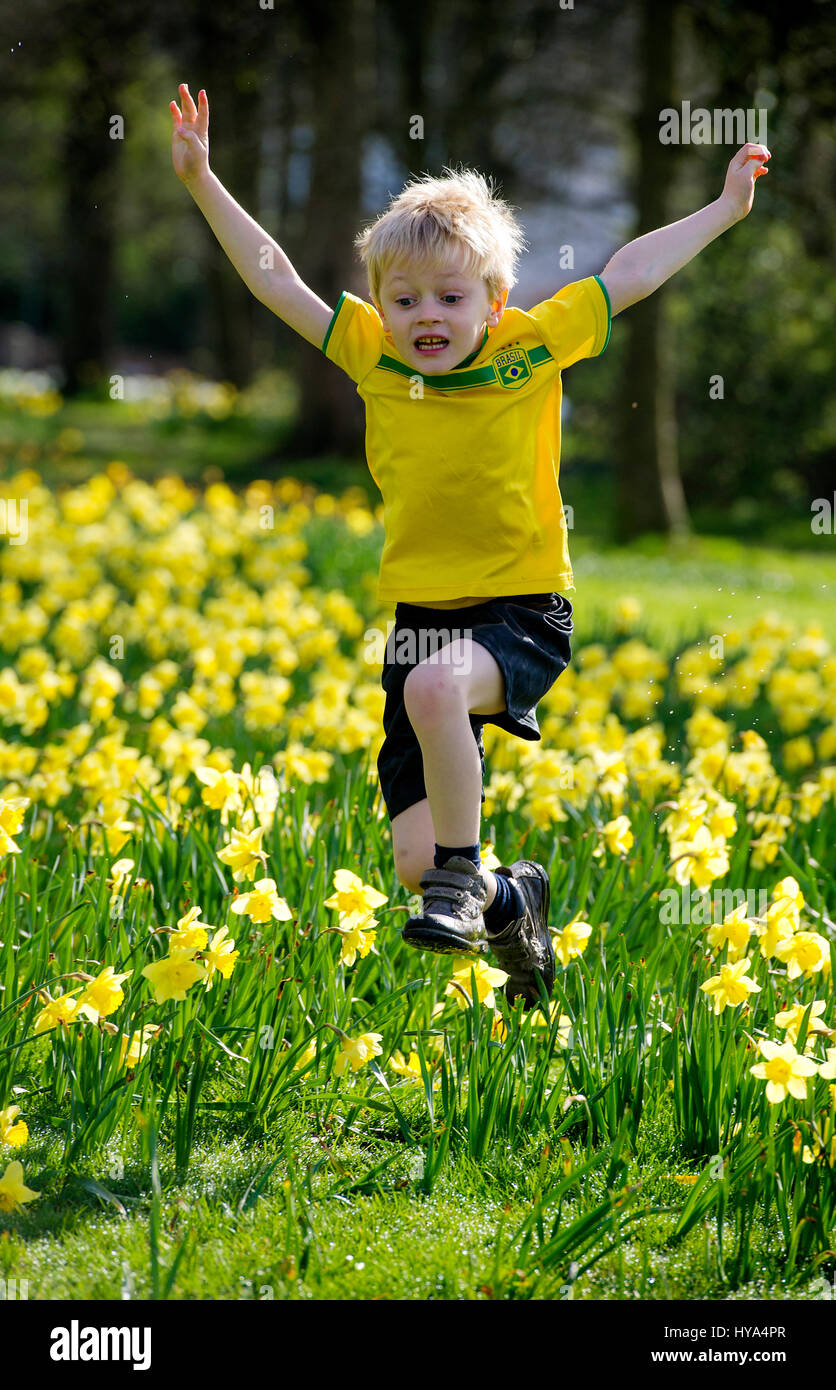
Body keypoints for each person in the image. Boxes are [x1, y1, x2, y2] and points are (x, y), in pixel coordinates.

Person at [170, 81, 770, 1008]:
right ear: (381, 305)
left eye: (450, 297)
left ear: (493, 302)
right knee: (413, 858)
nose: (427, 316)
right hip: (422, 620)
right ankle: (503, 897)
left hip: (524, 608)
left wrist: (725, 208)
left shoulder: (534, 346)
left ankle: (463, 875)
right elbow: (272, 275)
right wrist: (205, 180)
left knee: (436, 691)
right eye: (404, 299)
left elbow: (633, 270)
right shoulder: (371, 356)